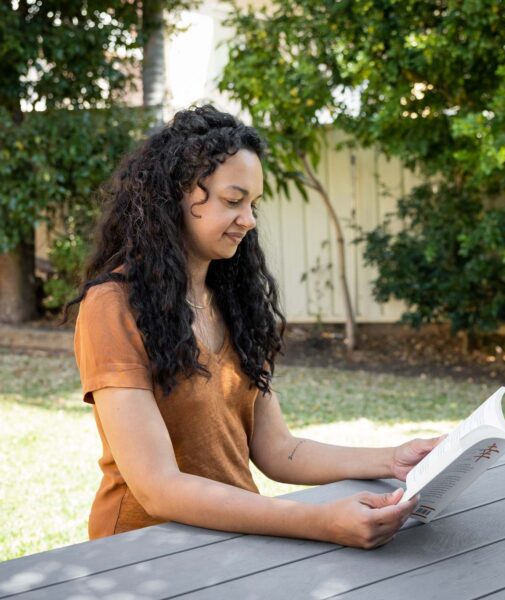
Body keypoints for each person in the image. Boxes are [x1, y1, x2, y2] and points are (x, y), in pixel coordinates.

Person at [66, 105, 444, 549]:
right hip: (143, 551)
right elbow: (157, 488)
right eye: (232, 201)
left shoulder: (233, 301)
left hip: (231, 540)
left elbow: (277, 449)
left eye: (253, 204)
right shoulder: (112, 305)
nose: (249, 220)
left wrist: (393, 459)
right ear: (176, 197)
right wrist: (321, 522)